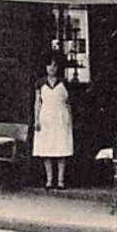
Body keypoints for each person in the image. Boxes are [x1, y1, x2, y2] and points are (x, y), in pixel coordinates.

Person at [32, 58, 74, 190]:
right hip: (46, 118)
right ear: (45, 67)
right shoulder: (40, 83)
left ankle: (61, 180)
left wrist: (70, 120)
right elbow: (38, 102)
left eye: (55, 65)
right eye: (49, 65)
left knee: (61, 147)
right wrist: (36, 119)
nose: (52, 68)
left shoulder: (64, 83)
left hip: (61, 117)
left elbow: (68, 103)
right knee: (47, 148)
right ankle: (49, 180)